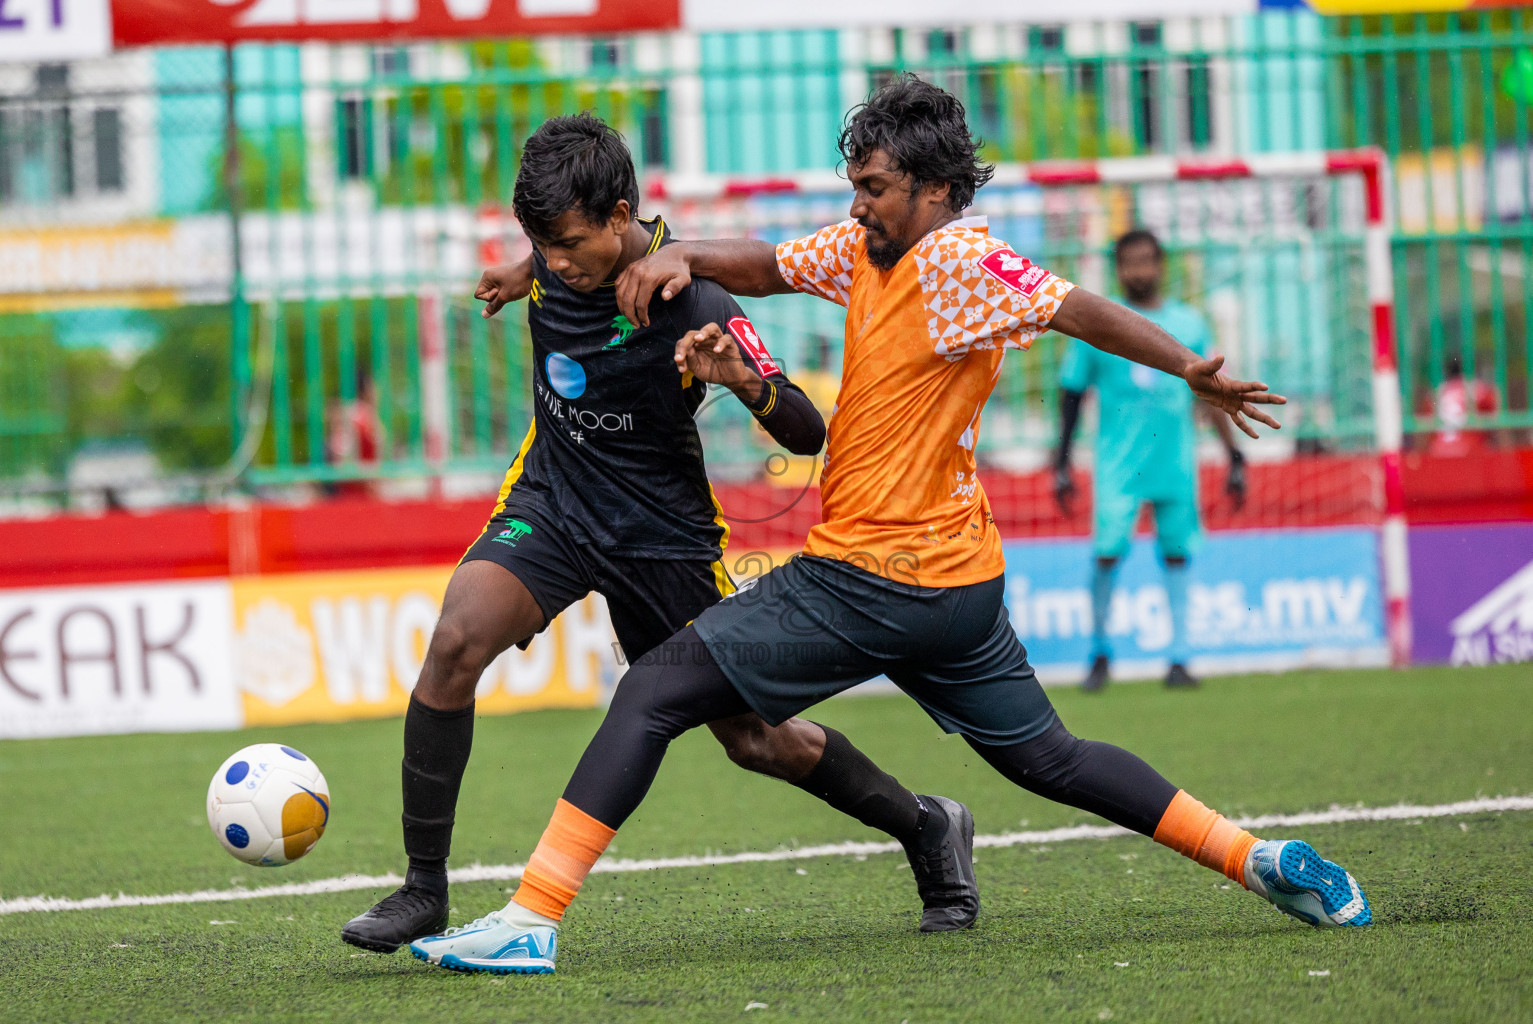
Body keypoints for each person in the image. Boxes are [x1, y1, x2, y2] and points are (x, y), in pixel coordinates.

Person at [407, 78, 1370, 977]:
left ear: (935, 188)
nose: (857, 204)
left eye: (872, 187)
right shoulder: (866, 252)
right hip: (957, 581)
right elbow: (771, 264)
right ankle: (1261, 859)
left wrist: (1189, 366)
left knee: (652, 690)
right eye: (854, 185)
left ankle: (532, 920)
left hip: (874, 575)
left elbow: (1078, 309)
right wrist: (686, 252)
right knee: (1050, 760)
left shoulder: (957, 257)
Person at [340, 114, 979, 955]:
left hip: (662, 538)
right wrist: (518, 265)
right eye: (540, 244)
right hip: (554, 505)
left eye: (568, 243)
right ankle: (423, 888)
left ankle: (925, 823)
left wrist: (743, 382)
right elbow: (546, 258)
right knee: (457, 640)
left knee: (756, 741)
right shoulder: (553, 259)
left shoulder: (695, 297)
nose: (558, 263)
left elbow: (803, 431)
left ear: (620, 214)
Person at [1052, 229, 1248, 691]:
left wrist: (1235, 456)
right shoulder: (1100, 322)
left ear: (1161, 265)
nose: (1138, 271)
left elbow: (1212, 396)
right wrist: (1059, 462)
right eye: (1129, 262)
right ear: (1118, 268)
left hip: (1176, 462)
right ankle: (1099, 653)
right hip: (1118, 467)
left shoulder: (1190, 323)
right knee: (1107, 553)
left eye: (1146, 261)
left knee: (1177, 554)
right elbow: (1071, 393)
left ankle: (1179, 658)